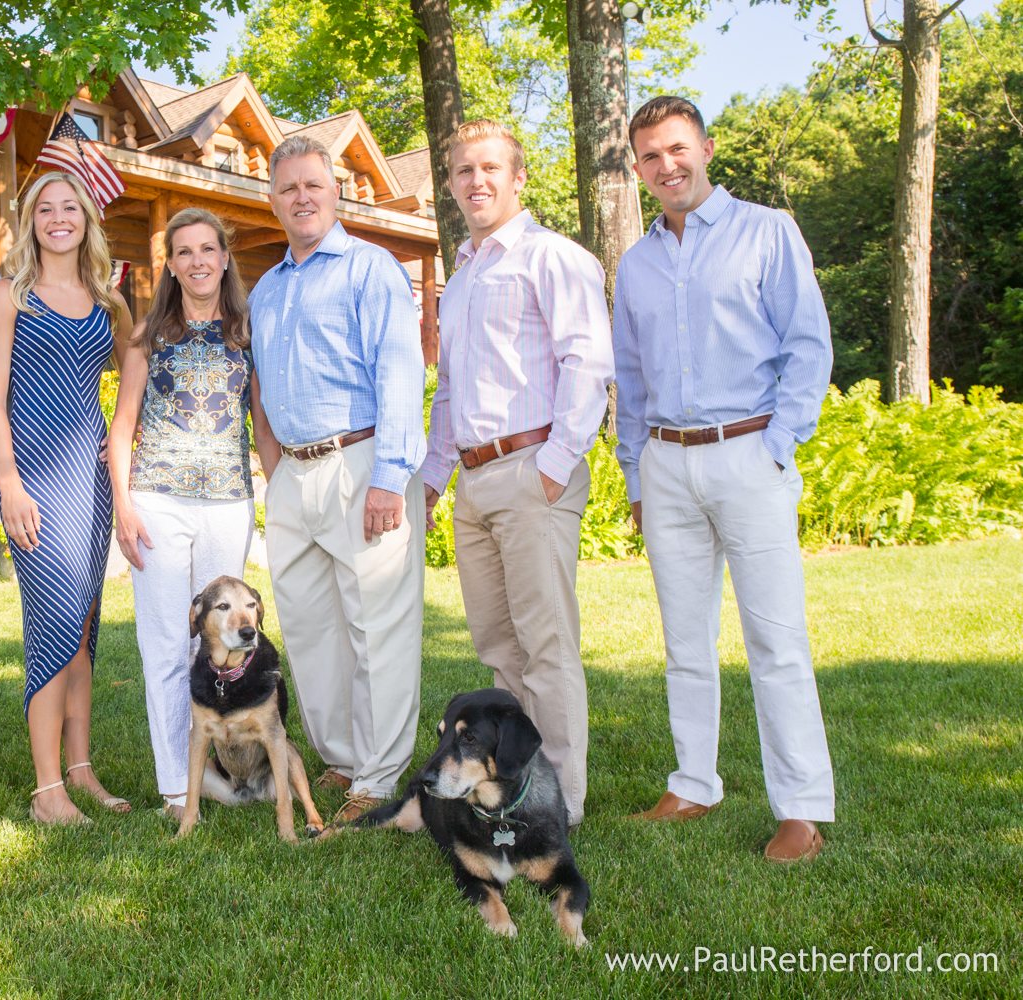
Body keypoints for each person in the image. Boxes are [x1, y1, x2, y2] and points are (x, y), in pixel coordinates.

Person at [613, 95, 835, 862]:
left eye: (678, 148)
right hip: (666, 464)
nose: (666, 165)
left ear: (706, 149)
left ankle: (800, 808)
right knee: (684, 641)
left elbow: (807, 346)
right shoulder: (636, 264)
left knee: (776, 640)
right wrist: (636, 476)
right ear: (637, 168)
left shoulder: (767, 232)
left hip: (749, 453)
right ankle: (693, 783)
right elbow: (630, 377)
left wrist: (778, 445)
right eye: (650, 156)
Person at [419, 119, 612, 830]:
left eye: (491, 168)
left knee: (545, 645)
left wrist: (555, 465)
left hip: (533, 468)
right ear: (450, 184)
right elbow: (450, 390)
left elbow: (587, 362)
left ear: (518, 176)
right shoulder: (463, 277)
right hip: (474, 482)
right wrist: (436, 477)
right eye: (463, 170)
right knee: (498, 647)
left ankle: (563, 804)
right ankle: (521, 788)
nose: (477, 181)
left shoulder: (552, 257)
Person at [249, 135, 427, 825]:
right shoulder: (266, 290)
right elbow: (263, 389)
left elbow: (399, 372)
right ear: (272, 199)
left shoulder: (370, 269)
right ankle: (344, 756)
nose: (301, 197)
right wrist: (276, 472)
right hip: (293, 474)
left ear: (335, 191)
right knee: (310, 628)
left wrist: (390, 477)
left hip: (362, 461)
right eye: (288, 187)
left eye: (313, 185)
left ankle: (378, 778)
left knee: (376, 626)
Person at [0, 170, 133, 825]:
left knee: (83, 628)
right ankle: (47, 791)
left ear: (87, 220)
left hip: (91, 483)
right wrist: (8, 483)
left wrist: (122, 435)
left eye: (71, 207)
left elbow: (138, 368)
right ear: (31, 220)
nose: (59, 218)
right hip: (35, 483)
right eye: (46, 208)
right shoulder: (8, 295)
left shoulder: (108, 301)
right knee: (53, 625)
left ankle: (81, 771)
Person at [106, 208, 258, 822]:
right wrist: (123, 506)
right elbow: (123, 425)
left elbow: (261, 423)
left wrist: (280, 494)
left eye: (207, 249)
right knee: (167, 644)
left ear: (224, 257)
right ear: (170, 264)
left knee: (222, 644)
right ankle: (176, 787)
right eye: (184, 252)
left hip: (228, 502)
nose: (197, 261)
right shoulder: (151, 333)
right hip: (158, 502)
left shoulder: (247, 331)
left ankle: (224, 767)